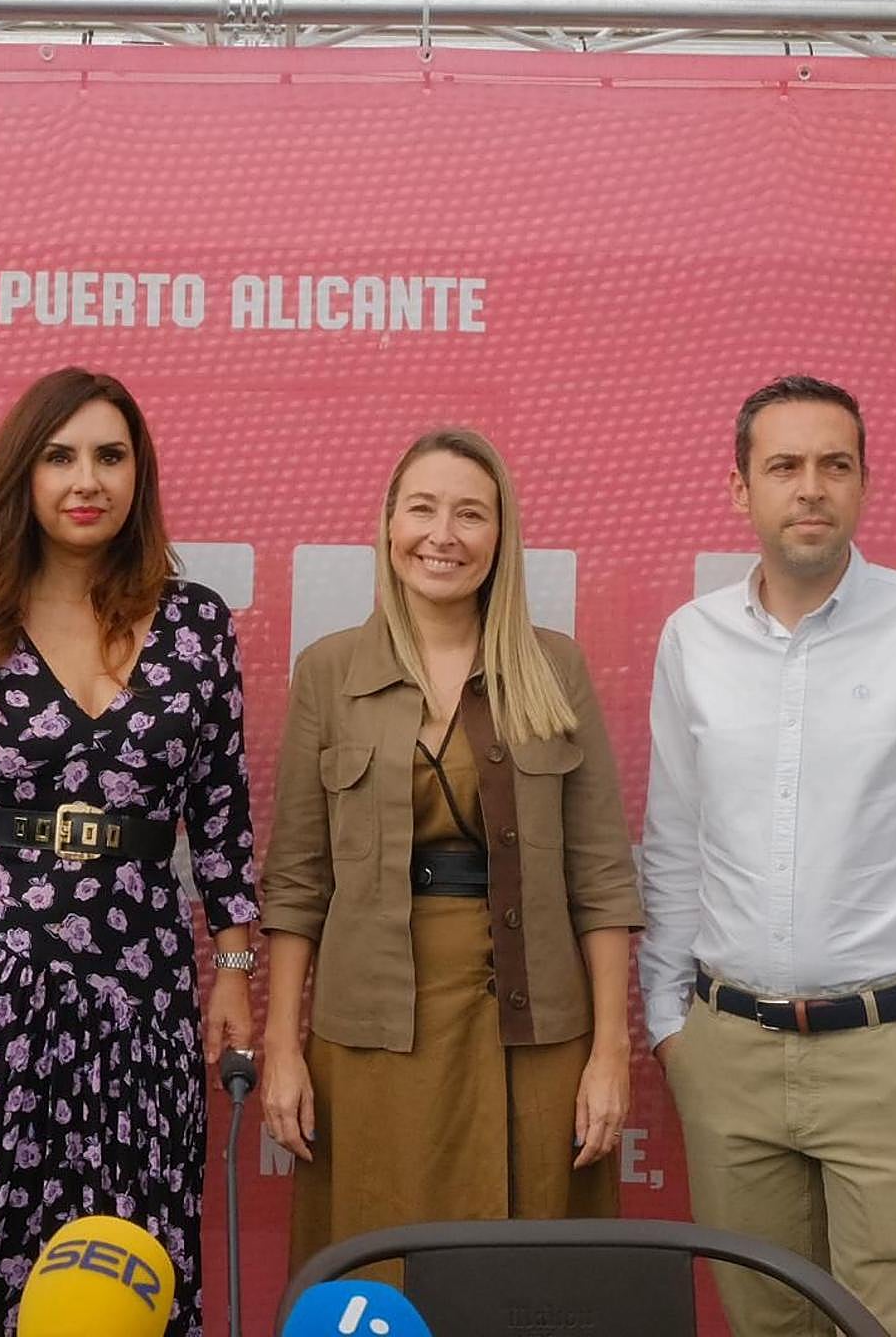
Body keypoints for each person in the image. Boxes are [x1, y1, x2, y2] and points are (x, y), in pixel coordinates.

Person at [0, 366, 261, 1337]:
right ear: (25, 477)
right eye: (60, 457)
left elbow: (221, 813)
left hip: (139, 978)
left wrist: (234, 968)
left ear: (138, 476)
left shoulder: (197, 627)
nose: (87, 480)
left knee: (128, 1240)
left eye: (110, 456)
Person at [638, 375, 896, 1337]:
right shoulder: (692, 639)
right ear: (741, 488)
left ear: (863, 483)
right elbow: (675, 845)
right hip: (728, 1056)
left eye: (835, 465)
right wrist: (670, 1026)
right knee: (762, 1324)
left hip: (893, 1053)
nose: (810, 487)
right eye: (784, 466)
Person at [259, 428, 643, 1278]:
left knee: (530, 1287)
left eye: (471, 514)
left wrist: (610, 1053)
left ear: (501, 536)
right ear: (388, 525)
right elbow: (295, 884)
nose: (443, 535)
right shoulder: (329, 673)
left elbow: (602, 880)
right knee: (380, 1283)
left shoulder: (554, 669)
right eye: (422, 509)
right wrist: (282, 1046)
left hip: (535, 1032)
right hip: (372, 1038)